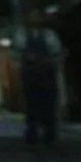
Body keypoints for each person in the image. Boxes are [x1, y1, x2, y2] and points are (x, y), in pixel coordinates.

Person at [18, 11, 64, 146]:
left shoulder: (49, 34)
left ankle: (50, 131)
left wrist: (49, 61)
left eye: (37, 17)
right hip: (30, 72)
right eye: (32, 17)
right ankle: (32, 131)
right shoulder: (22, 34)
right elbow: (17, 53)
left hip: (47, 72)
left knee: (49, 102)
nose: (35, 20)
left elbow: (57, 52)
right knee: (32, 102)